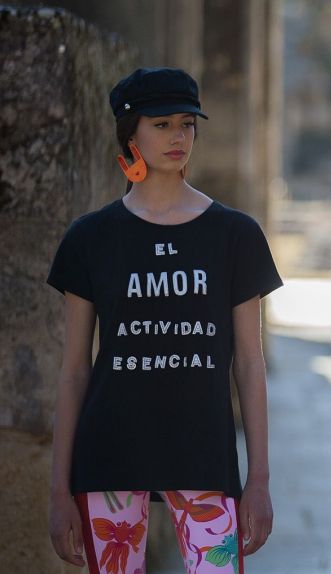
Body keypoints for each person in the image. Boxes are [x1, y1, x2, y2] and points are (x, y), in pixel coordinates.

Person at [46, 67, 282, 574]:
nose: (178, 136)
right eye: (161, 124)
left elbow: (249, 362)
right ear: (129, 134)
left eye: (187, 123)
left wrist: (259, 479)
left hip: (205, 456)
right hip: (109, 455)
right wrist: (59, 490)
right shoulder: (89, 239)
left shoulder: (236, 235)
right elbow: (74, 370)